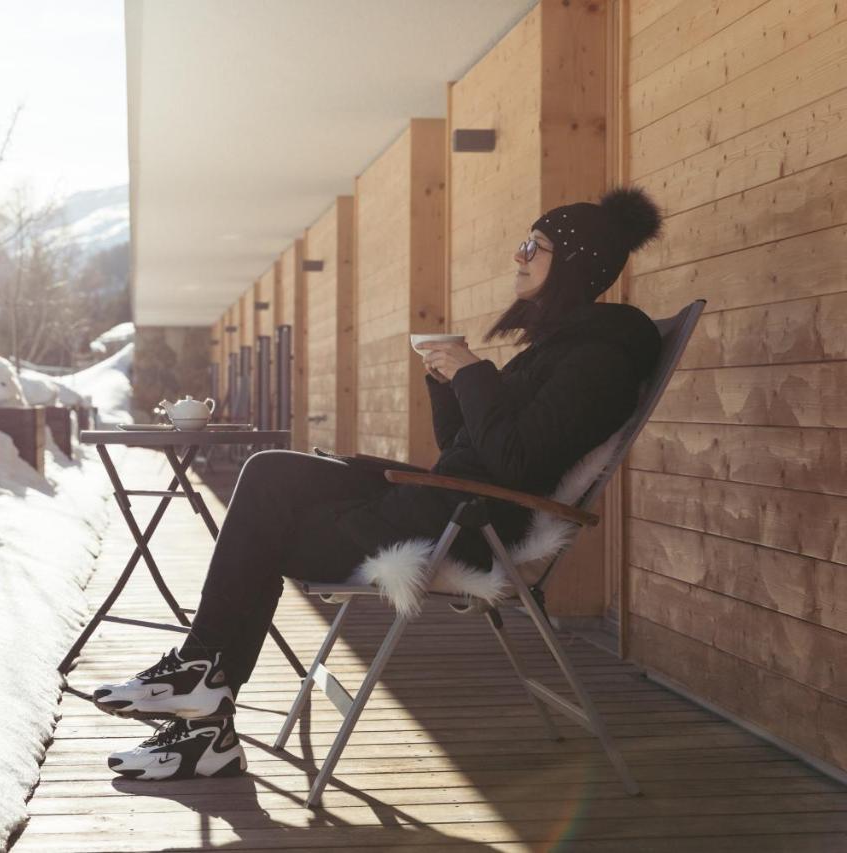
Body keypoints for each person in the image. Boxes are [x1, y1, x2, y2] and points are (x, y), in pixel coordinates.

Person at [92, 186, 666, 781]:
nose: (518, 257)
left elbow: (515, 464)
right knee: (271, 472)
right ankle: (203, 698)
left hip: (468, 526)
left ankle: (202, 706)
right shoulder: (556, 350)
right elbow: (466, 449)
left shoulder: (600, 362)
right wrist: (448, 383)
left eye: (534, 246)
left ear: (573, 263)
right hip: (441, 501)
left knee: (263, 527)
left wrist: (473, 374)